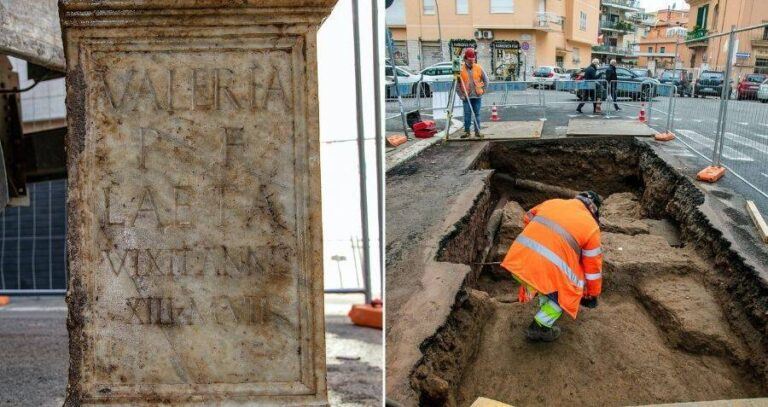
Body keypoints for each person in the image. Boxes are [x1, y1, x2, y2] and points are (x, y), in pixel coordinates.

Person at [500, 191, 604, 342]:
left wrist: (540, 236)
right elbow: (593, 268)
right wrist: (592, 294)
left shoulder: (553, 202)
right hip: (542, 270)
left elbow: (527, 217)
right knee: (568, 291)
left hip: (519, 262)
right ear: (594, 210)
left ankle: (540, 295)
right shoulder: (591, 227)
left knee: (549, 280)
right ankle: (540, 326)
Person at [457, 48, 489, 138]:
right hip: (466, 97)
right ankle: (467, 132)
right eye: (470, 60)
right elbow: (457, 84)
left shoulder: (478, 68)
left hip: (477, 96)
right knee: (467, 115)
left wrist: (483, 90)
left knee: (477, 114)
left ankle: (477, 132)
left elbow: (486, 80)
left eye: (473, 60)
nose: (471, 61)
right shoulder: (460, 69)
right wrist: (461, 95)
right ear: (465, 59)